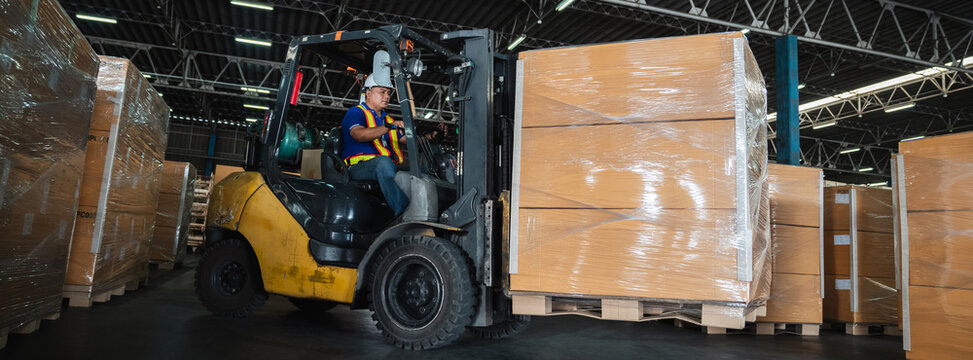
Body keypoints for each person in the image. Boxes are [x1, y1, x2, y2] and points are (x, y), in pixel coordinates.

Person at [340, 65, 410, 215]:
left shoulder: (387, 119)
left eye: (388, 93)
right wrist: (388, 127)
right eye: (382, 92)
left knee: (416, 173)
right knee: (384, 162)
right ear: (369, 93)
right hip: (359, 168)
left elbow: (408, 140)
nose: (386, 96)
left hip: (383, 167)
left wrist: (429, 136)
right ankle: (404, 214)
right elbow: (359, 135)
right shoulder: (356, 112)